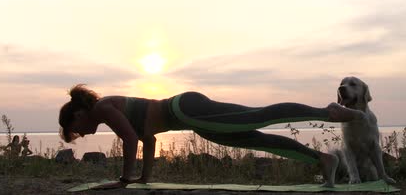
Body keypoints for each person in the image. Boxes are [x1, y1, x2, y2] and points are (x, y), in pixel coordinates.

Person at [58, 84, 366, 189]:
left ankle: (327, 112)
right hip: (191, 117)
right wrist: (143, 179)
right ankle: (322, 159)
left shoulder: (103, 108)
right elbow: (147, 139)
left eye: (76, 131)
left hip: (187, 109)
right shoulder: (108, 110)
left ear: (78, 115)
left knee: (259, 116)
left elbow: (130, 140)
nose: (81, 135)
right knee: (251, 138)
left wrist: (124, 181)